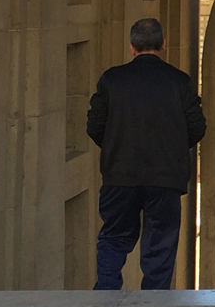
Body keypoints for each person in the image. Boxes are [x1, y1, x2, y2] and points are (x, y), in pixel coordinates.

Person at [87, 16, 206, 290]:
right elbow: (197, 127)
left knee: (114, 236)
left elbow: (94, 126)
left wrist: (117, 146)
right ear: (163, 44)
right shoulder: (180, 82)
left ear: (132, 47)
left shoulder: (112, 80)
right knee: (160, 244)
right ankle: (154, 300)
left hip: (120, 175)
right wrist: (172, 148)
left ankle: (106, 293)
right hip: (165, 178)